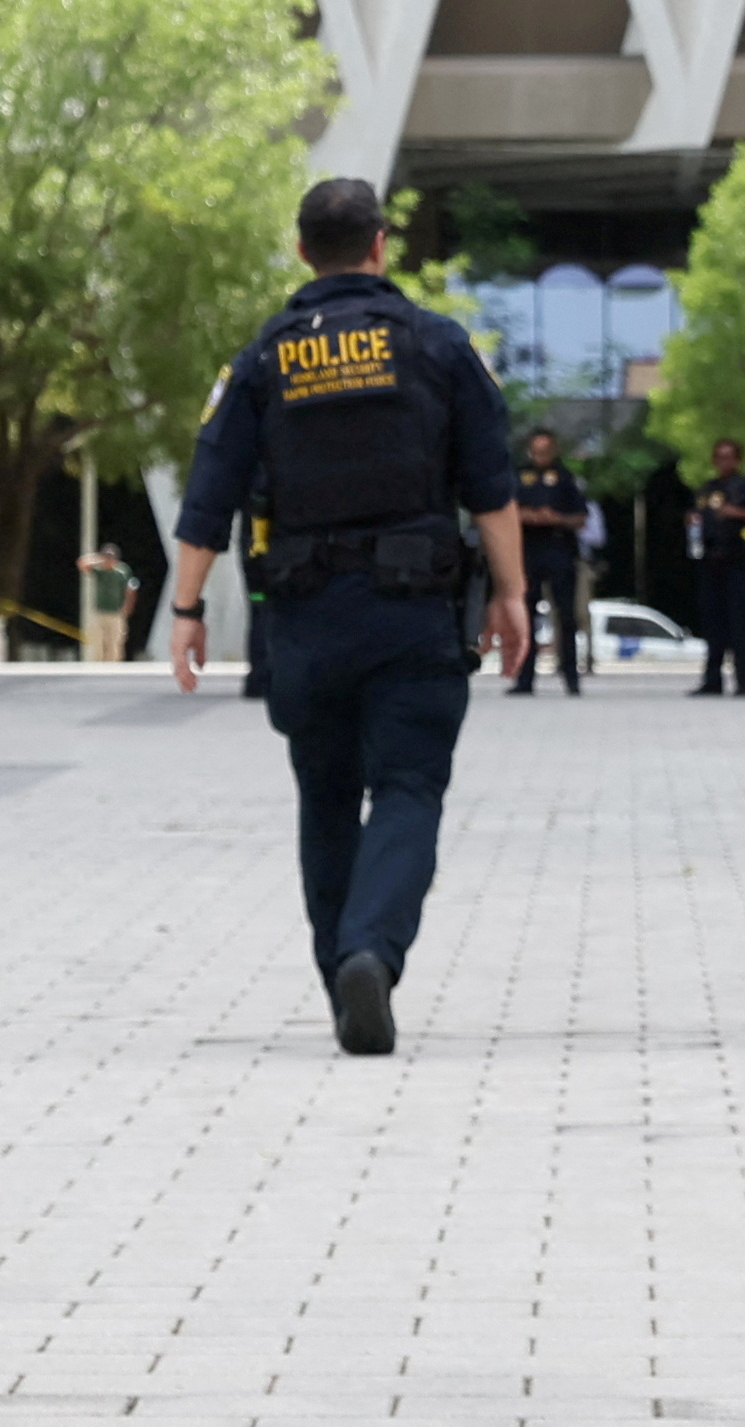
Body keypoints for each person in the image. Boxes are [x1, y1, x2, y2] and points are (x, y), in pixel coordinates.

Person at [166, 176, 528, 1054]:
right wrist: (514, 596)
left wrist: (184, 609)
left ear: (301, 252)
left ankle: (341, 974)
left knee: (324, 797)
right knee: (407, 788)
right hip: (414, 614)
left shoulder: (264, 359)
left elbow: (208, 490)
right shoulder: (438, 345)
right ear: (378, 247)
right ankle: (372, 950)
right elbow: (489, 487)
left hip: (304, 616)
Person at [507, 424, 588, 696]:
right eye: (536, 450)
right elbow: (503, 512)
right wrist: (527, 516)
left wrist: (557, 519)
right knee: (525, 616)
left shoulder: (566, 478)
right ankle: (524, 679)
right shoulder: (518, 476)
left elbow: (581, 517)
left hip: (559, 550)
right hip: (527, 552)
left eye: (546, 450)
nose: (541, 454)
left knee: (566, 616)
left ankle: (570, 678)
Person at [686, 444, 745, 695]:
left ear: (738, 459)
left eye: (729, 457)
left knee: (741, 624)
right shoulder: (707, 490)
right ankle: (712, 680)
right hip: (711, 561)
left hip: (739, 561)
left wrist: (737, 512)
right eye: (719, 457)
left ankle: (744, 682)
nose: (724, 462)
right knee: (712, 623)